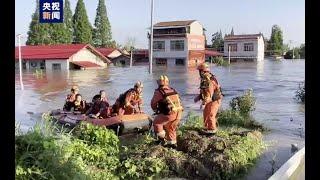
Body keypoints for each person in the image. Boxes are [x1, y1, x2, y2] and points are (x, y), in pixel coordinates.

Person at [151, 75, 183, 148]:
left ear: (159, 83)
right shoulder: (172, 90)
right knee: (171, 127)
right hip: (179, 113)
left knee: (157, 122)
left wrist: (156, 110)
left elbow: (153, 104)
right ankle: (172, 144)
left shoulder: (159, 91)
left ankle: (161, 140)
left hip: (170, 114)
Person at [194, 63, 223, 135]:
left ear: (203, 71)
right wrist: (199, 97)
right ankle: (207, 128)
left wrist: (204, 103)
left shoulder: (209, 80)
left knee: (210, 114)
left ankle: (212, 130)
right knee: (206, 114)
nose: (199, 73)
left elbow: (210, 93)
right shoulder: (204, 79)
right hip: (210, 99)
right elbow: (204, 91)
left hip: (214, 100)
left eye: (200, 71)